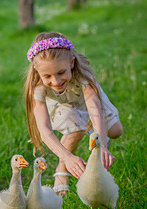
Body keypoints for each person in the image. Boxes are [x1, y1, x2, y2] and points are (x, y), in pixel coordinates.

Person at [24, 32, 123, 195]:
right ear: (36, 69)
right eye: (47, 76)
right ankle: (61, 172)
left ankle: (101, 138)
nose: (56, 81)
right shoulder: (37, 87)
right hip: (61, 103)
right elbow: (45, 131)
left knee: (116, 131)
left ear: (71, 63)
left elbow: (95, 111)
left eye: (61, 72)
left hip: (87, 101)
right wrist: (68, 157)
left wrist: (102, 145)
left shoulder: (83, 75)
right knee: (75, 128)